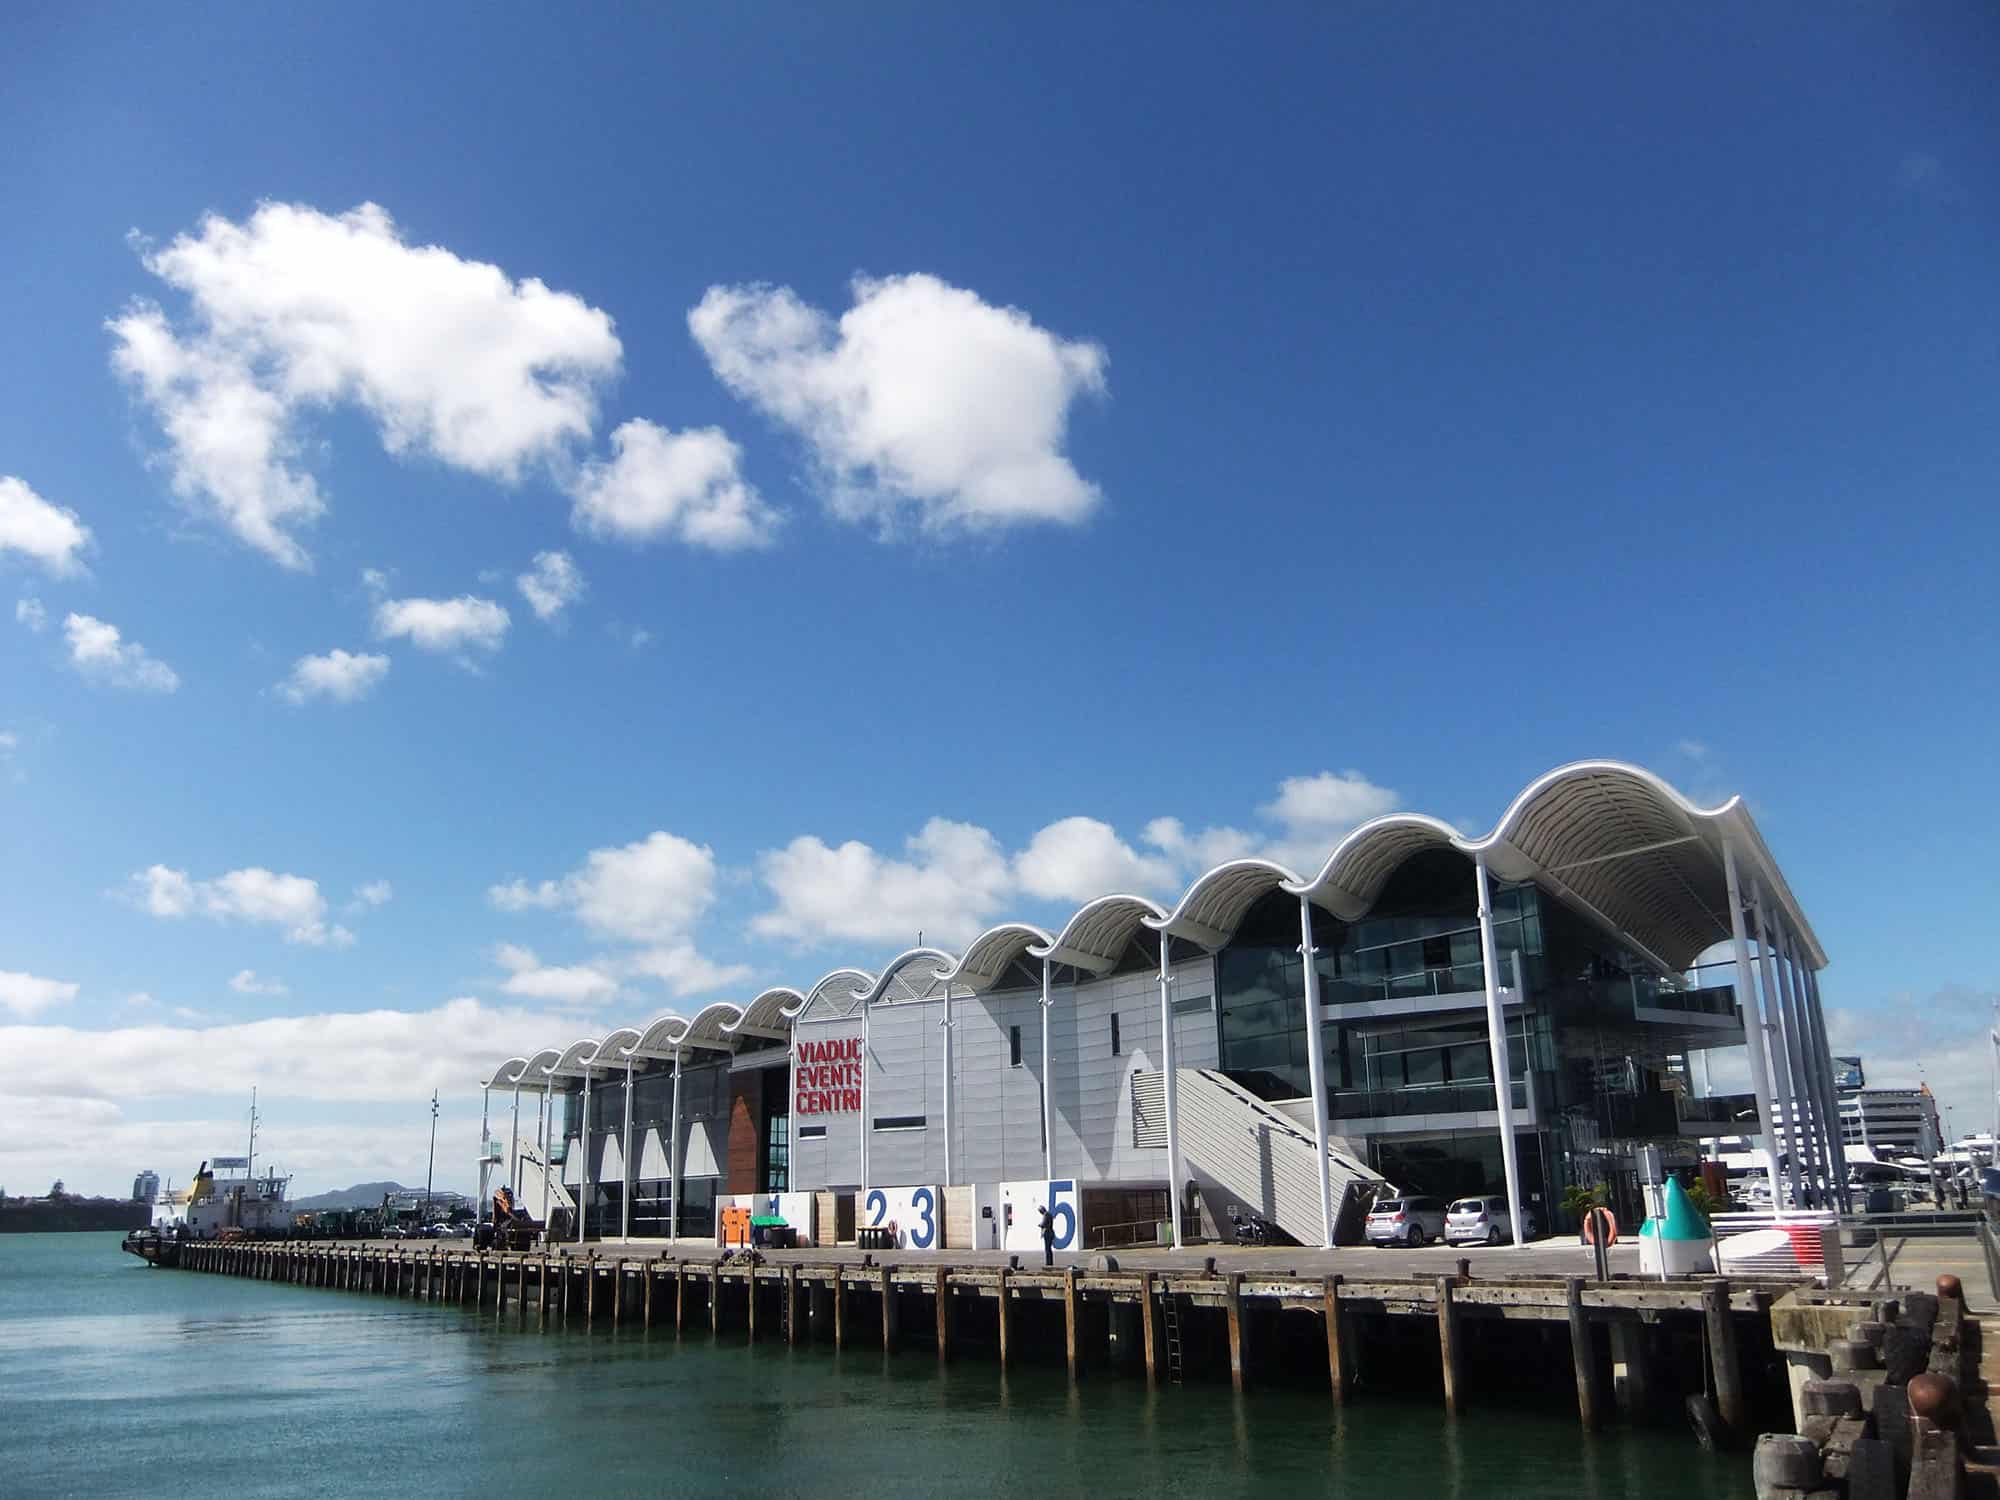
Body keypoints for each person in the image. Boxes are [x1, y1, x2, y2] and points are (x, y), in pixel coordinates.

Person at [1037, 1203, 1055, 1268]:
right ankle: (1050, 1262)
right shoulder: (1049, 1214)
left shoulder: (1046, 1215)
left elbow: (1044, 1224)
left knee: (1047, 1249)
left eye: (1040, 1211)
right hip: (1051, 1233)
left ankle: (1048, 1263)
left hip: (1047, 1233)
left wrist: (1039, 1225)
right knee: (1049, 1249)